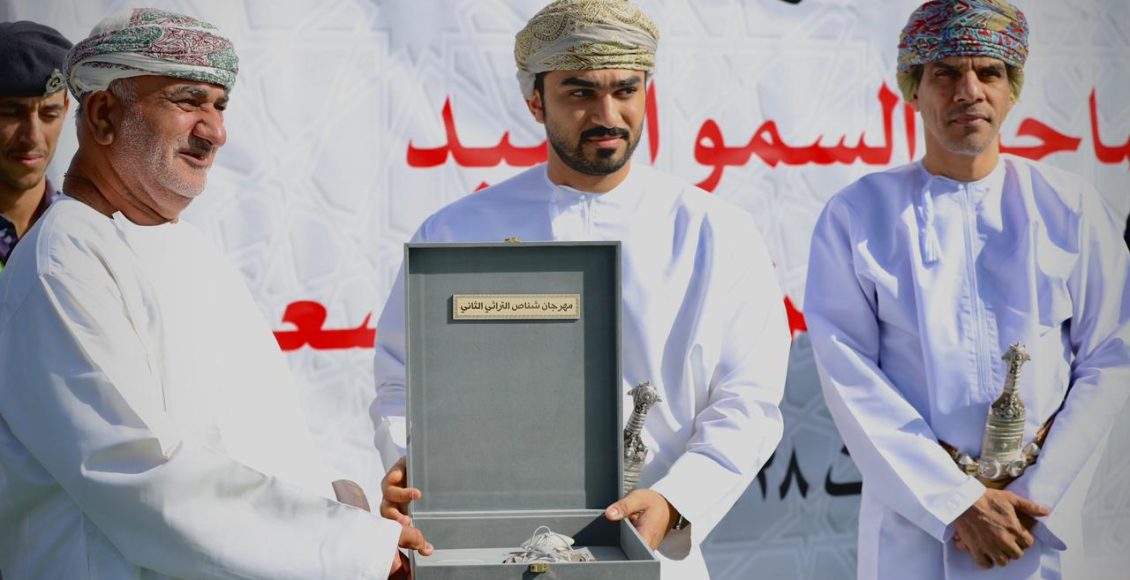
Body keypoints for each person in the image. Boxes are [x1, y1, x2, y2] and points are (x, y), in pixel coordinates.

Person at [0, 8, 426, 578]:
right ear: (103, 115)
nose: (215, 132)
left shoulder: (193, 251)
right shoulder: (64, 261)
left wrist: (345, 509)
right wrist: (356, 550)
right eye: (188, 101)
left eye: (220, 106)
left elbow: (252, 442)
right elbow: (143, 475)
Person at [371, 1, 790, 577]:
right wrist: (412, 465)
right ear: (535, 100)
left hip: (652, 555)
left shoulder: (713, 233)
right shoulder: (457, 231)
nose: (608, 115)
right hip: (474, 552)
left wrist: (675, 502)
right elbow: (402, 380)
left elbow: (749, 402)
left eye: (626, 90)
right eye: (580, 92)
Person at [804, 1, 1130, 578]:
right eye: (946, 73)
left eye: (989, 72)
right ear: (914, 89)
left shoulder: (1071, 208)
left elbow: (1110, 356)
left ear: (1011, 90)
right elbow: (849, 377)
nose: (969, 91)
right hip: (916, 532)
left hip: (1038, 529)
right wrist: (956, 503)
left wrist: (1035, 495)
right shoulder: (857, 217)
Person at [0, 21, 71, 272]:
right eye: (12, 113)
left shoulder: (82, 231)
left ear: (66, 110)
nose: (32, 136)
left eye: (49, 114)